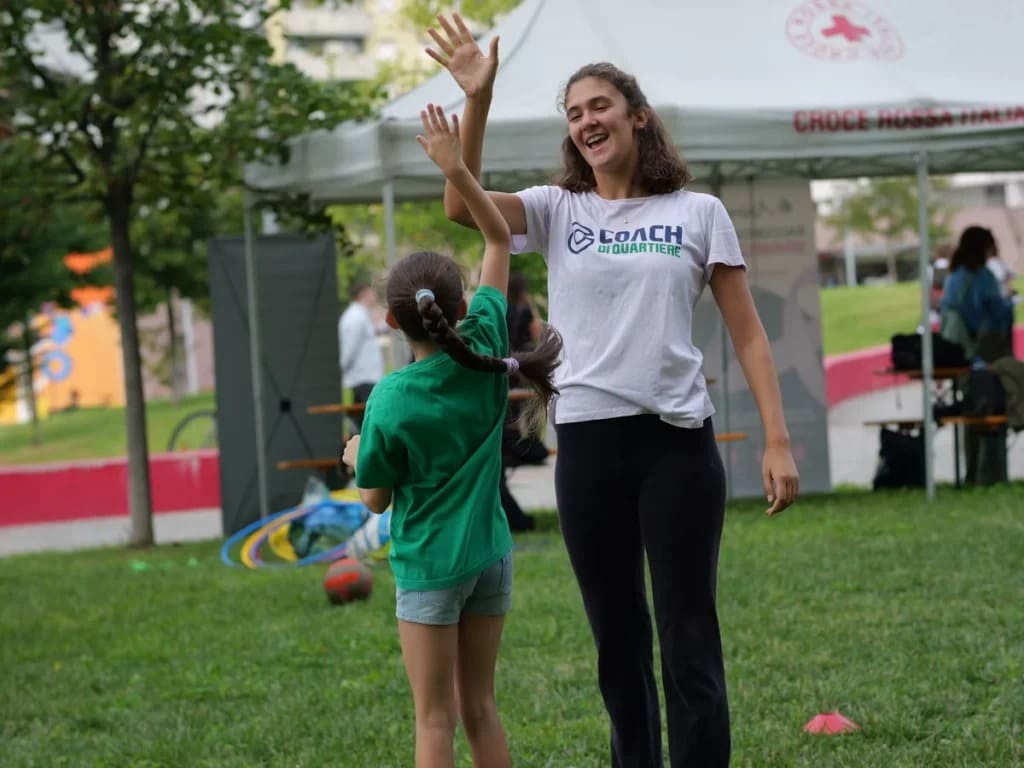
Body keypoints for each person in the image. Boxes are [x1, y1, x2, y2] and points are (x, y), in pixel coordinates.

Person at [426, 13, 799, 767]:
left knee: (688, 634)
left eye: (599, 105)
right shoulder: (561, 211)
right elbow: (463, 208)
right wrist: (478, 100)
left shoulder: (698, 213)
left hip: (676, 445)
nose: (586, 121)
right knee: (616, 639)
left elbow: (749, 334)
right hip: (590, 443)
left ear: (636, 116)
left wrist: (778, 439)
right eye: (573, 113)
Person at [342, 103, 562, 768]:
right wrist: (456, 171)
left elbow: (376, 503)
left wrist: (357, 457)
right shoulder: (491, 341)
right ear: (463, 308)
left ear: (388, 319)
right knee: (481, 710)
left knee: (433, 722)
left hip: (432, 567)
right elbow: (498, 239)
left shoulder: (389, 401)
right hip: (491, 556)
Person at [499, 272, 547, 532]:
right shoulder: (522, 311)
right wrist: (530, 304)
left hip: (507, 370)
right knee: (519, 421)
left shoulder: (503, 311)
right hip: (521, 370)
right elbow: (537, 331)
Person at [940, 226, 1014, 361]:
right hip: (979, 346)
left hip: (953, 341)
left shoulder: (953, 275)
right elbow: (996, 313)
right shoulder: (983, 276)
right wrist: (1009, 303)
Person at [338, 281, 385, 431]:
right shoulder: (355, 317)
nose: (373, 297)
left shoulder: (362, 316)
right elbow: (349, 349)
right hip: (363, 377)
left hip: (366, 376)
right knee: (367, 418)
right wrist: (343, 369)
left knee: (360, 418)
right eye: (371, 293)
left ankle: (356, 446)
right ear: (363, 294)